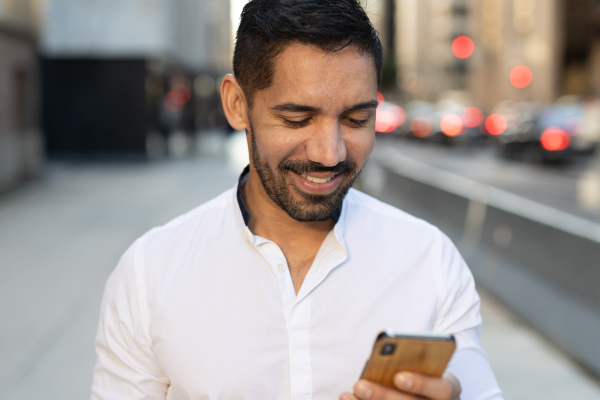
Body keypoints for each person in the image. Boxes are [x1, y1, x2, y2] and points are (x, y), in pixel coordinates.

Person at [91, 1, 503, 399]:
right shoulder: (151, 273)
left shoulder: (429, 262)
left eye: (357, 119)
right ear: (237, 105)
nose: (330, 153)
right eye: (296, 119)